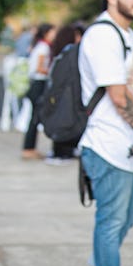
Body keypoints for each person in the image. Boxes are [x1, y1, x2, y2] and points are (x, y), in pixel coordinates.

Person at [76, 0, 133, 266]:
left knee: (129, 216)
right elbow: (119, 98)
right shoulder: (103, 35)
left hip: (131, 148)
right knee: (111, 220)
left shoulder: (129, 36)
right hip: (107, 144)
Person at [46, 23, 84, 165]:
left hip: (57, 93)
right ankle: (62, 152)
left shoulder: (60, 52)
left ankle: (61, 151)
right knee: (66, 121)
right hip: (66, 93)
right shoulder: (71, 52)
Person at [21, 23, 55, 160]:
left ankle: (30, 148)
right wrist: (52, 71)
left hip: (36, 84)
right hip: (39, 84)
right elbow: (40, 68)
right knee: (35, 118)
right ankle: (28, 148)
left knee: (34, 118)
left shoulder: (39, 46)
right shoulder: (44, 47)